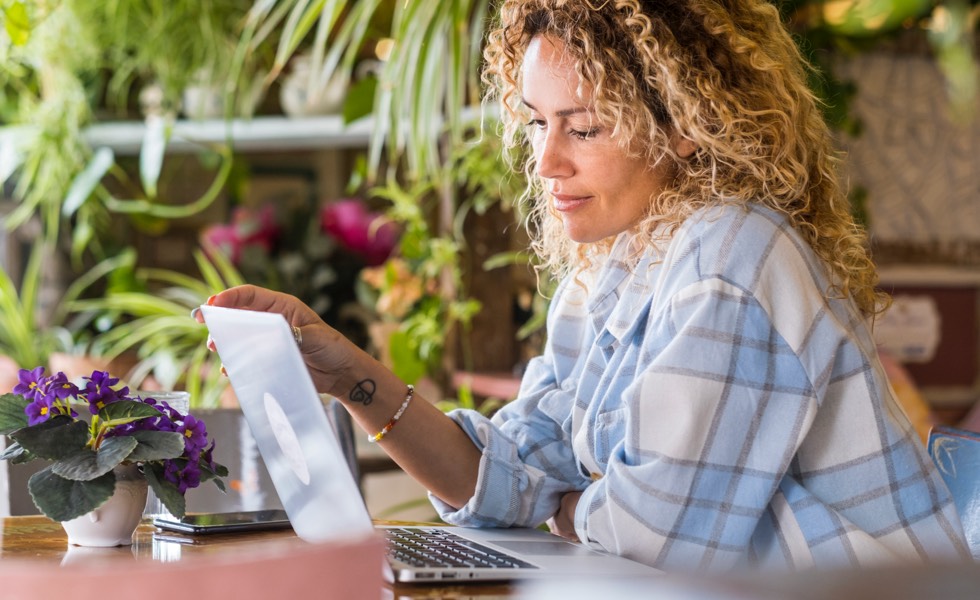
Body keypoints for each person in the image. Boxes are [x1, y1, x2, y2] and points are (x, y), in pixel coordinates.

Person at [196, 0, 969, 571]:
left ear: (684, 124)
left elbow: (655, 536)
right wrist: (347, 373)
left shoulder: (732, 256)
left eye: (585, 127)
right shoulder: (614, 263)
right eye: (537, 122)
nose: (546, 161)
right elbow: (511, 471)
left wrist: (560, 509)